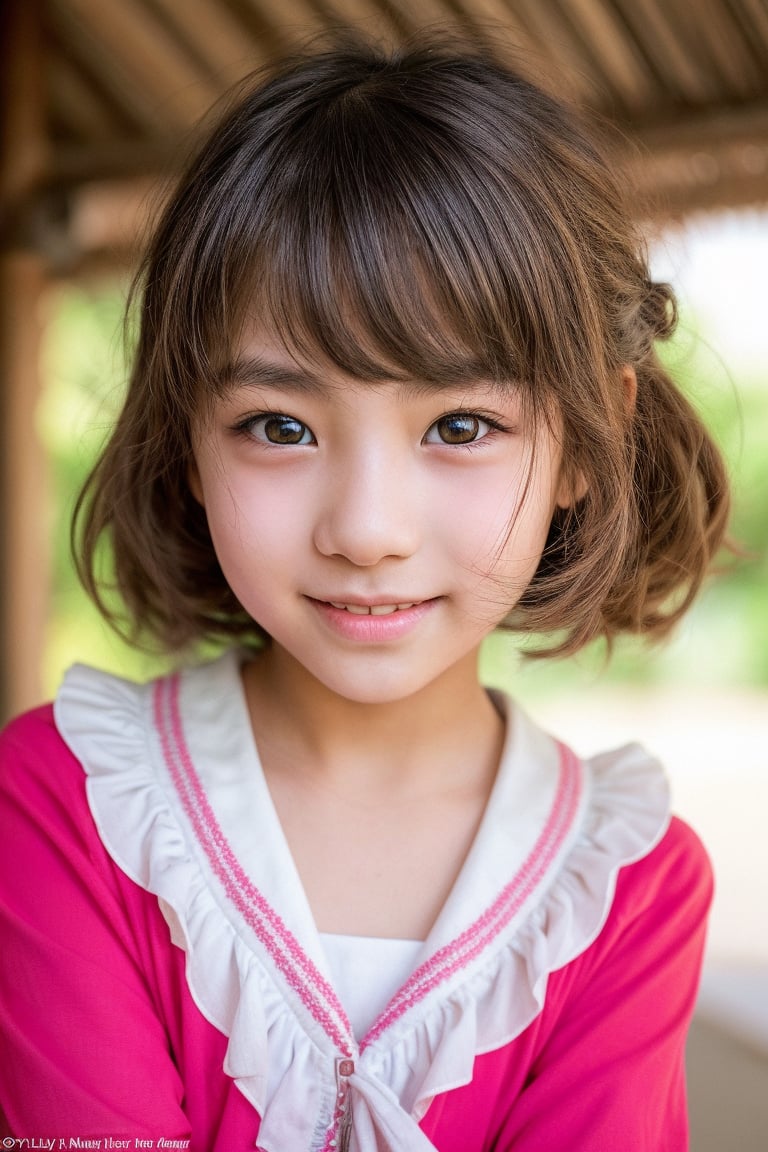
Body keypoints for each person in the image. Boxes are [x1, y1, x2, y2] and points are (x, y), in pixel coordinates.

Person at [0, 37, 729, 1151]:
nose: (367, 530)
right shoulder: (69, 807)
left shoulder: (627, 892)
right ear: (189, 443)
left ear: (592, 436)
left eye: (461, 427)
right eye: (280, 428)